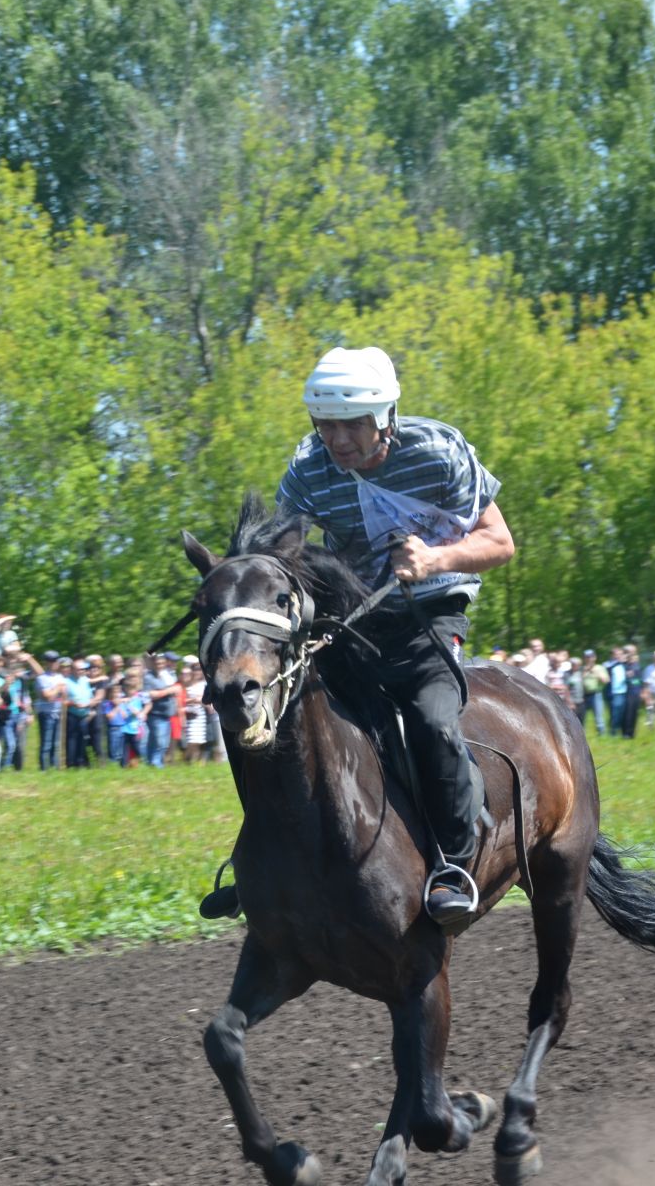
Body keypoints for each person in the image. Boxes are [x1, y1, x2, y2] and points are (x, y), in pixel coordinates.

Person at [202, 344, 514, 927]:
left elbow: (501, 543)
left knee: (429, 718)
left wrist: (436, 558)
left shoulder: (440, 452)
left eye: (352, 425)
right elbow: (278, 555)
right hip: (352, 619)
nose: (337, 439)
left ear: (386, 418)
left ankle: (454, 861)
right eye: (325, 425)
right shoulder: (308, 470)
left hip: (429, 613)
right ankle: (264, 862)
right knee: (275, 717)